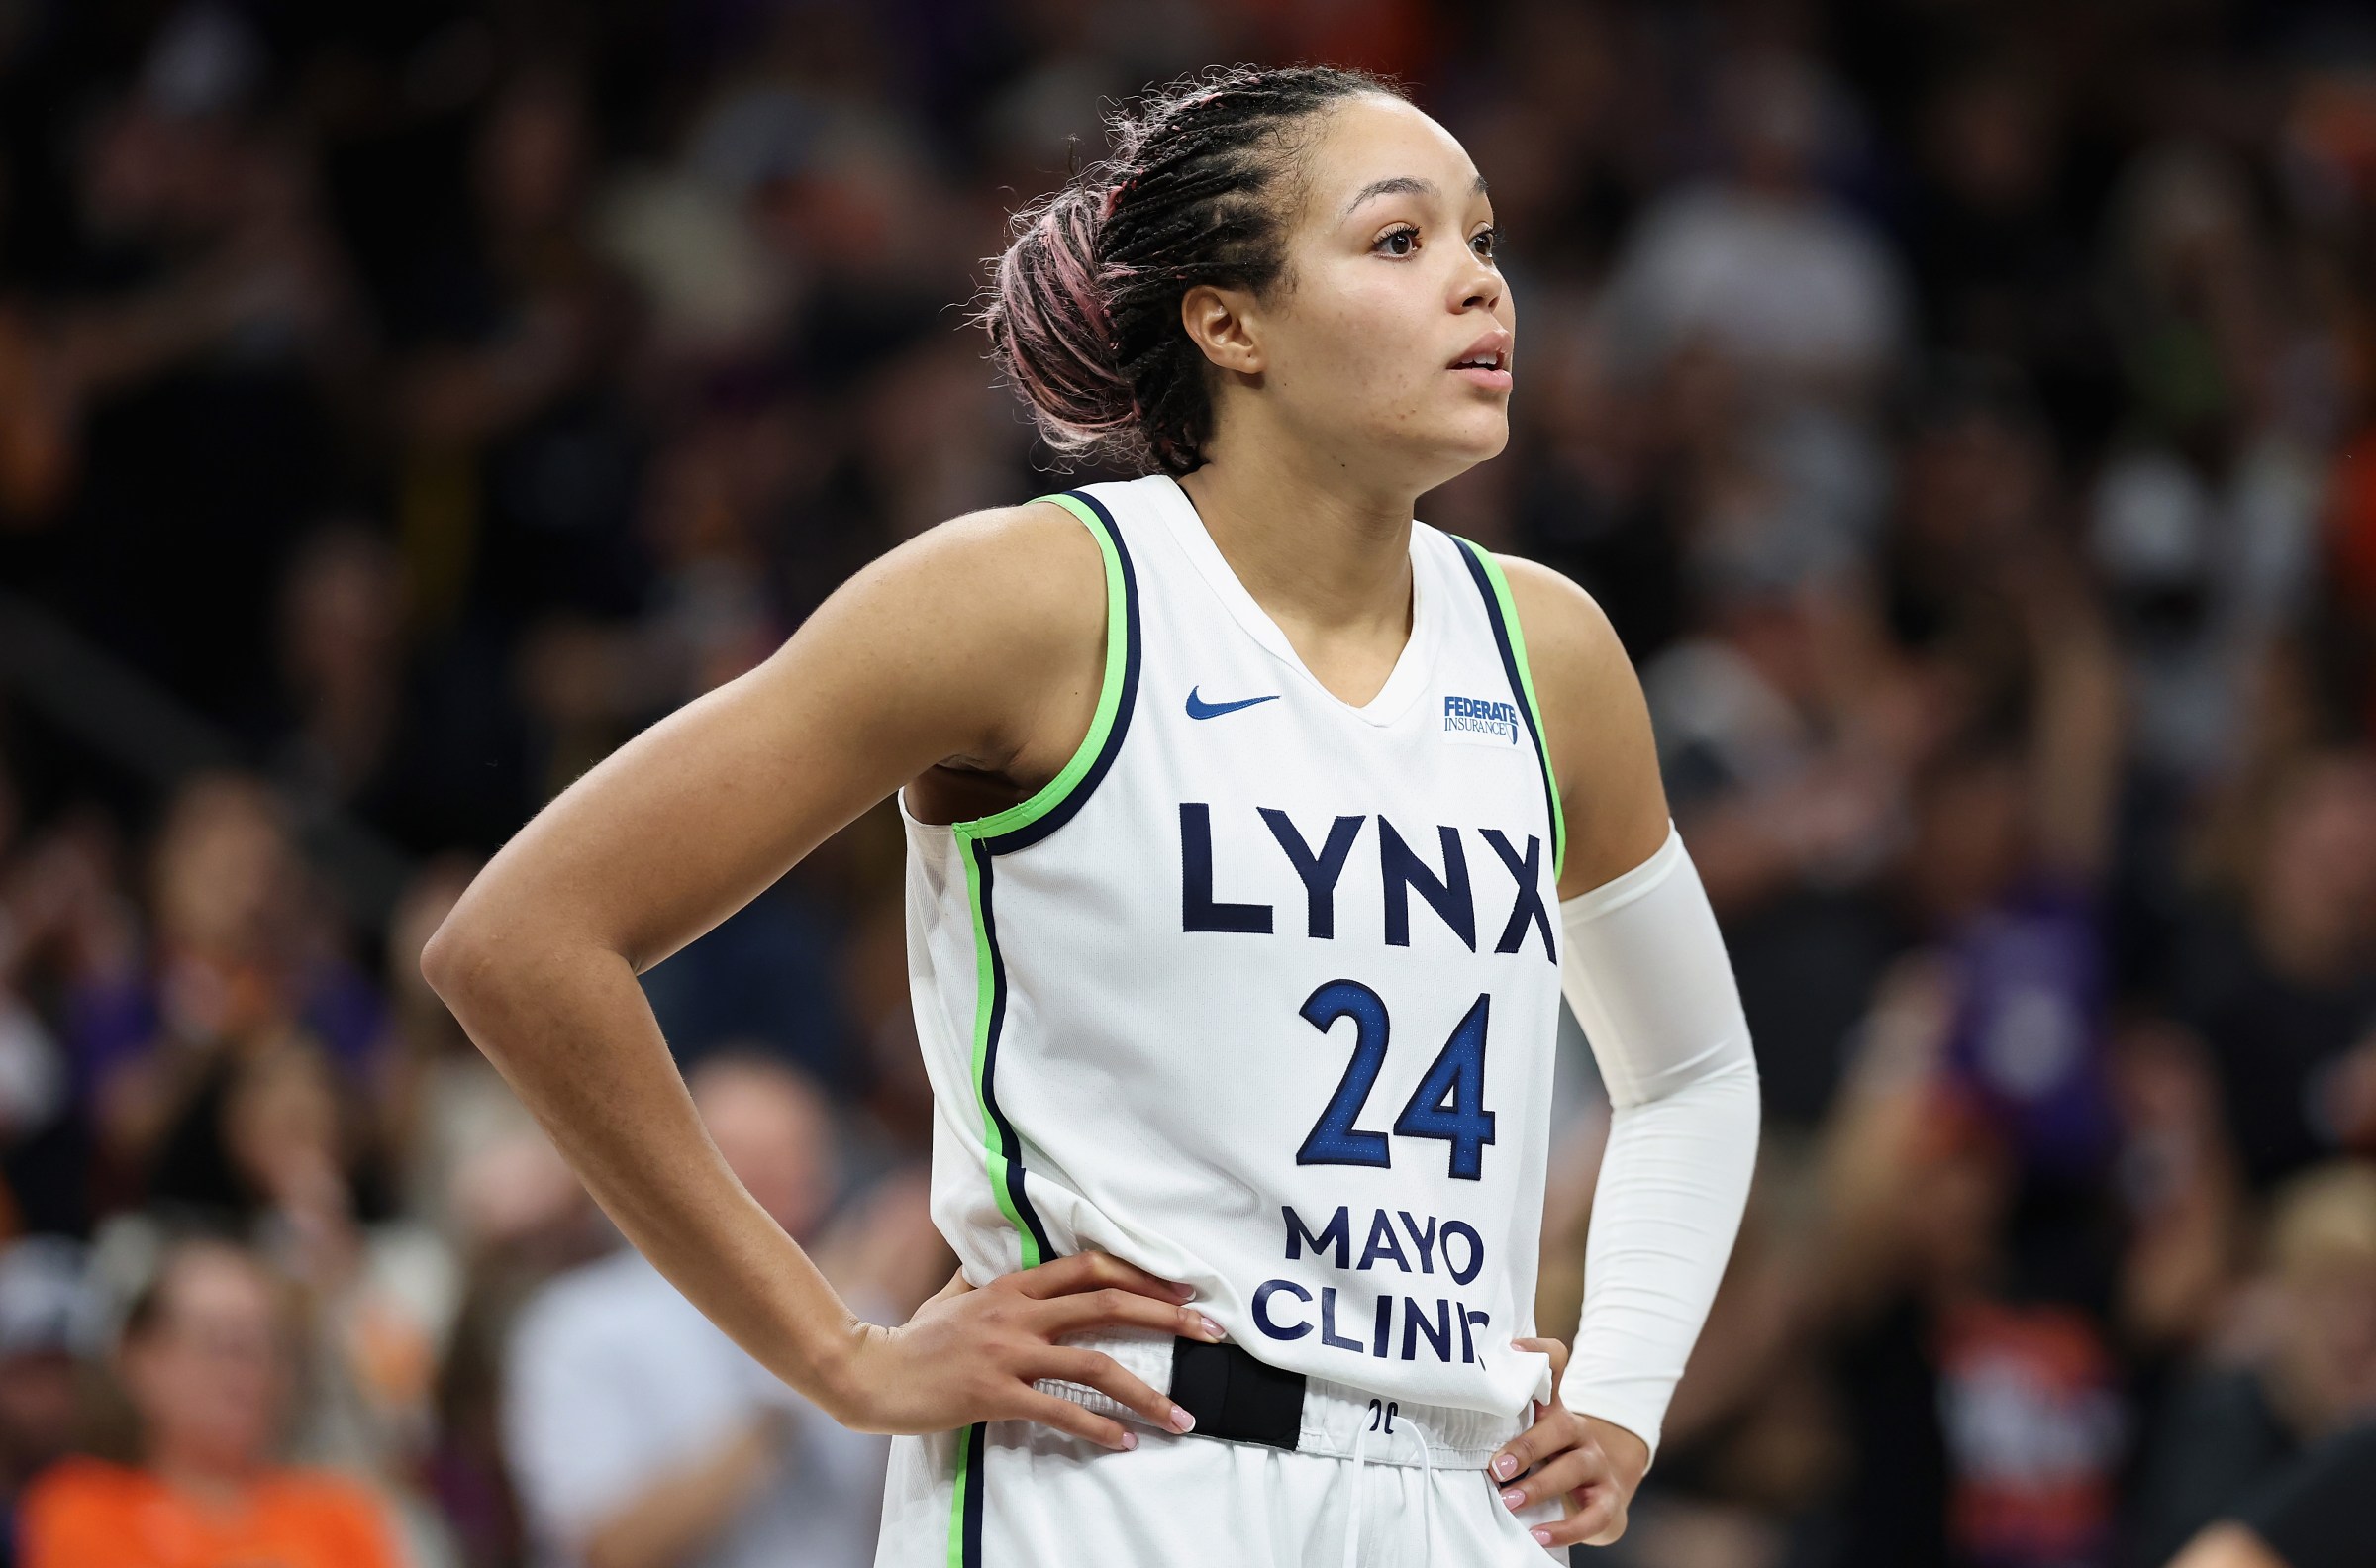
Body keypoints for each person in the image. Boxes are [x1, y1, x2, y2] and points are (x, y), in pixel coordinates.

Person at [422, 62, 1760, 1564]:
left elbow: (1693, 1066)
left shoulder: (1550, 650)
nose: (1479, 286)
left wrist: (1631, 1383)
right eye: (1401, 241)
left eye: (1486, 241)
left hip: (1462, 1493)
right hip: (1122, 1474)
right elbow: (523, 939)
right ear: (1229, 321)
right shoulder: (1036, 597)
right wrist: (838, 1355)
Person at [503, 1053, 902, 1568]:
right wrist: (798, 1384)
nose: (778, 1185)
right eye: (747, 1162)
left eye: (796, 1158)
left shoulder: (866, 1307)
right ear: (678, 1170)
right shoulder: (579, 1323)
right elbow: (606, 1550)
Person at [17, 1234, 403, 1568]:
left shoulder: (340, 1513)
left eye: (263, 1345)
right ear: (140, 1360)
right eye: (218, 1344)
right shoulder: (79, 1506)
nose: (244, 1371)